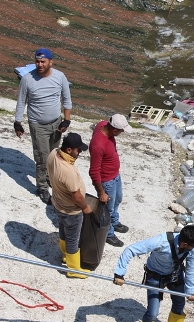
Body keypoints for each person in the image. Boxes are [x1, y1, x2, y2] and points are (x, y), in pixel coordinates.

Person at [112, 225, 194, 322]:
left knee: (179, 303)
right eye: (192, 246)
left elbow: (191, 269)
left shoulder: (193, 245)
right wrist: (119, 273)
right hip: (155, 276)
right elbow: (130, 250)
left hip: (175, 274)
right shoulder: (161, 241)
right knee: (153, 312)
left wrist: (191, 291)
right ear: (184, 243)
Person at [14, 47, 72, 205]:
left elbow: (66, 100)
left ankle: (50, 178)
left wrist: (66, 120)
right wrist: (18, 122)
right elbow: (21, 102)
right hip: (37, 124)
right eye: (37, 61)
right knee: (42, 157)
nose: (39, 64)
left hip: (56, 123)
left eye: (43, 61)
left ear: (50, 62)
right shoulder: (27, 79)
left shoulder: (60, 77)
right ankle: (42, 187)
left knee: (54, 155)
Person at [47, 133, 92, 279]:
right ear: (68, 150)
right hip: (71, 210)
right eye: (78, 150)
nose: (79, 153)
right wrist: (85, 207)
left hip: (57, 203)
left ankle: (65, 255)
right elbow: (77, 196)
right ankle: (73, 269)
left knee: (63, 230)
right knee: (73, 238)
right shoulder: (68, 171)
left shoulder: (53, 154)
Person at [88, 114, 132, 247]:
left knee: (117, 200)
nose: (122, 132)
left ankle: (114, 222)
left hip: (115, 176)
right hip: (107, 181)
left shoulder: (102, 124)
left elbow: (98, 123)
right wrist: (101, 192)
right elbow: (94, 171)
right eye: (121, 131)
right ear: (114, 130)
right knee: (107, 209)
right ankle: (108, 234)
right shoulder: (98, 145)